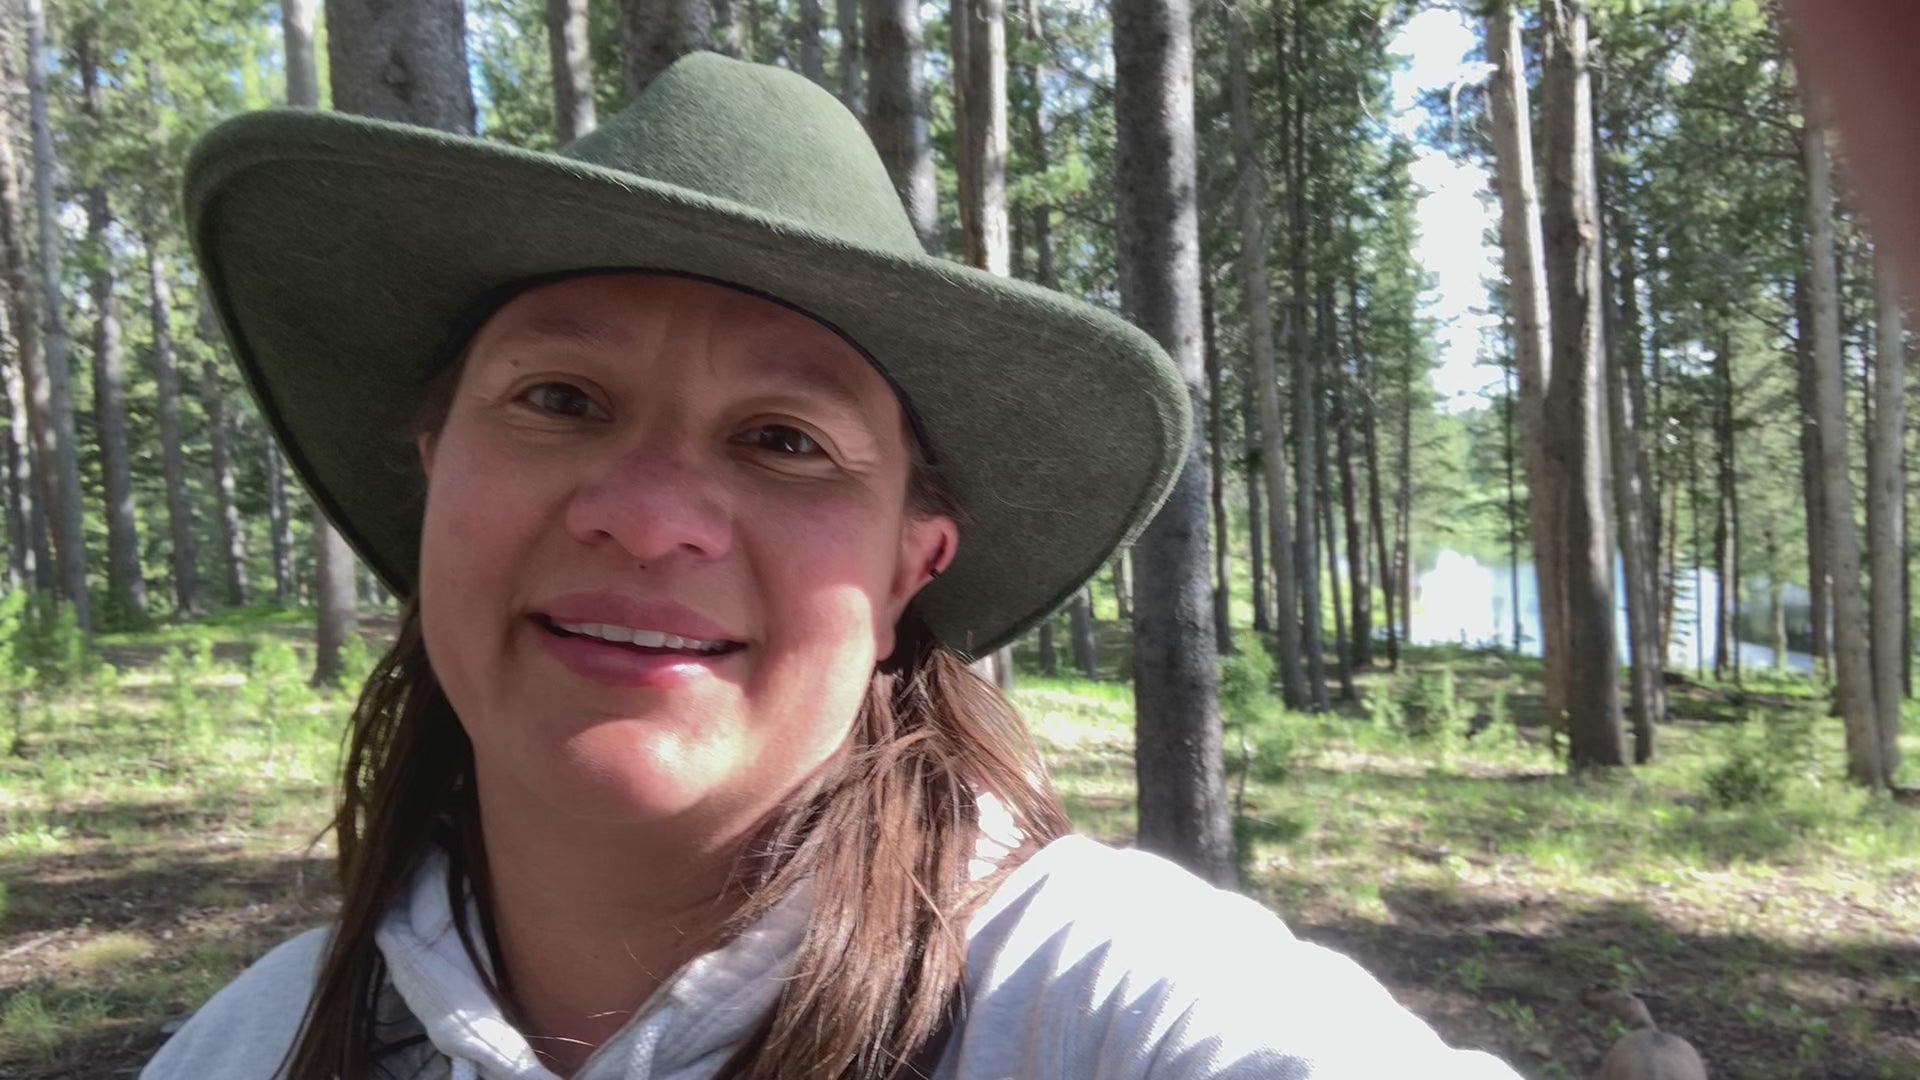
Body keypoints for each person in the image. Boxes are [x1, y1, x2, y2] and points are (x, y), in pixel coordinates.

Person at [146, 54, 1519, 1080]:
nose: (646, 516)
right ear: (435, 462)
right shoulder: (249, 1049)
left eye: (785, 439)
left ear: (912, 566)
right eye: (559, 397)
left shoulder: (1104, 1007)